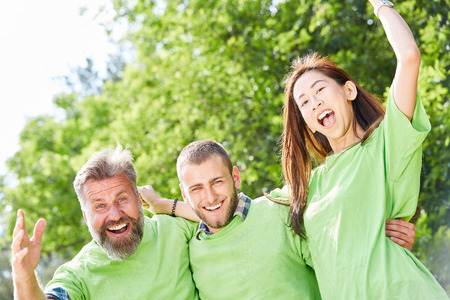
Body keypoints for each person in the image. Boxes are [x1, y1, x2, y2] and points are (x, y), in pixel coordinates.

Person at [275, 0, 449, 298]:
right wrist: (170, 206)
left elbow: (409, 57)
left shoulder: (386, 143)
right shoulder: (306, 189)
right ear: (307, 122)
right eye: (304, 102)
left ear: (349, 91)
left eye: (320, 90)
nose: (314, 102)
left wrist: (380, 4)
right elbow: (233, 209)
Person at [140, 139, 416, 299]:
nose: (210, 196)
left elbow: (343, 256)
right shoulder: (190, 242)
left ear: (235, 178)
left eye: (217, 182)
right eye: (196, 188)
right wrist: (162, 205)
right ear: (185, 195)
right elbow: (208, 213)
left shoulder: (278, 210)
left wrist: (385, 244)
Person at [11, 145, 198, 300]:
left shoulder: (176, 228)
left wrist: (162, 204)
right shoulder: (77, 275)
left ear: (138, 197)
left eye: (122, 199)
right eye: (100, 206)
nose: (115, 215)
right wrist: (25, 277)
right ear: (86, 216)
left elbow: (222, 219)